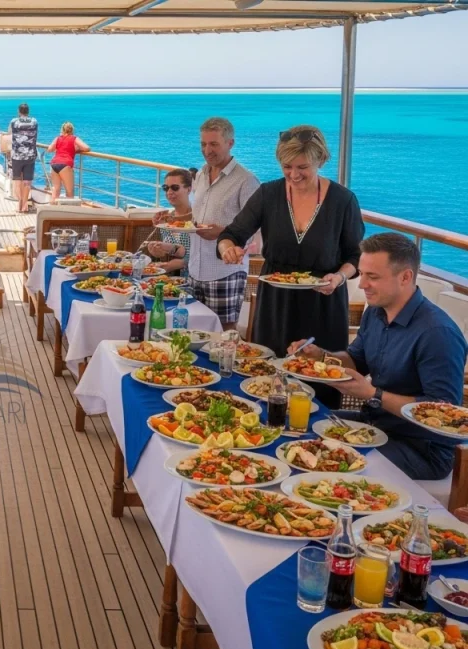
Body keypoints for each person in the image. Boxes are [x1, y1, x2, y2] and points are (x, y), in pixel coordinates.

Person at [287, 233, 467, 483]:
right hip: (374, 423)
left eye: (372, 277)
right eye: (362, 274)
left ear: (406, 277)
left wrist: (372, 395)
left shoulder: (437, 333)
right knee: (293, 427)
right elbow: (355, 360)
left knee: (325, 465)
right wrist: (321, 356)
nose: (361, 285)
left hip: (420, 448)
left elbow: (443, 414)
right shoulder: (375, 312)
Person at [218, 125, 364, 408]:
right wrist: (228, 249)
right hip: (276, 305)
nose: (294, 174)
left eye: (303, 167)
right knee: (266, 382)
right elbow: (232, 234)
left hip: (324, 305)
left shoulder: (343, 200)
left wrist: (338, 276)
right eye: (287, 166)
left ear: (321, 160)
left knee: (319, 385)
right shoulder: (268, 194)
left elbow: (356, 256)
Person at [187, 117, 262, 329]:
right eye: (203, 144)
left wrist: (224, 233)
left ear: (230, 143)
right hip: (195, 269)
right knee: (193, 332)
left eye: (213, 144)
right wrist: (174, 220)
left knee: (223, 334)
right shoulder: (201, 174)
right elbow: (197, 216)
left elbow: (256, 228)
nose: (207, 150)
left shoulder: (246, 181)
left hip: (225, 271)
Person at [147, 168, 196, 276]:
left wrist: (174, 265)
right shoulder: (166, 219)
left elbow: (201, 255)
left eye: (175, 188)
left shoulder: (197, 217)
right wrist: (158, 252)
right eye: (166, 188)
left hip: (196, 278)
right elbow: (175, 251)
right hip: (174, 280)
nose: (169, 192)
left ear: (188, 189)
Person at [47, 122, 89, 202]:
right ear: (72, 130)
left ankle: (51, 210)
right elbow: (87, 148)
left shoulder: (58, 138)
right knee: (69, 192)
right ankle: (68, 212)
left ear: (62, 129)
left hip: (54, 164)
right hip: (65, 164)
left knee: (56, 190)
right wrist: (75, 150)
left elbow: (49, 149)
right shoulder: (74, 138)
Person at [8, 103, 38, 213]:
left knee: (17, 180)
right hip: (30, 155)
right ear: (28, 111)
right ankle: (25, 205)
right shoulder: (34, 121)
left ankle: (19, 204)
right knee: (27, 181)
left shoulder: (14, 121)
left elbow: (9, 134)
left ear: (19, 111)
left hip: (17, 155)